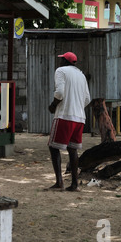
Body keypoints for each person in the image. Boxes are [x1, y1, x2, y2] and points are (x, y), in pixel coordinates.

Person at [48, 52, 90, 191]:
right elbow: (87, 99)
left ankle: (59, 182)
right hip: (79, 118)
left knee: (53, 147)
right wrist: (76, 107)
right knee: (73, 149)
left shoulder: (61, 71)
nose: (59, 62)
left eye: (61, 59)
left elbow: (60, 92)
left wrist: (54, 105)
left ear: (65, 61)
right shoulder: (82, 75)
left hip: (64, 116)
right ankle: (74, 184)